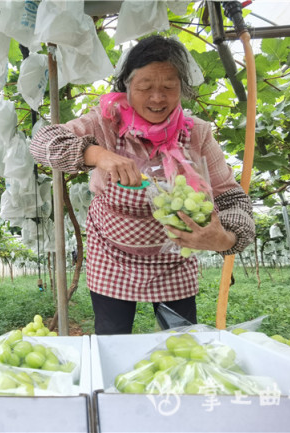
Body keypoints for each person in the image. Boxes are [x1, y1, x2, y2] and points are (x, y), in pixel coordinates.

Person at [30, 35, 255, 334]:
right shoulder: (105, 123)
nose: (157, 98)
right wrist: (97, 154)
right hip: (111, 257)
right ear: (126, 87)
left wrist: (224, 239)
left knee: (181, 340)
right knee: (112, 336)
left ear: (183, 89)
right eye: (145, 87)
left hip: (173, 262)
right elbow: (42, 142)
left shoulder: (197, 134)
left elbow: (231, 199)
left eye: (168, 87)